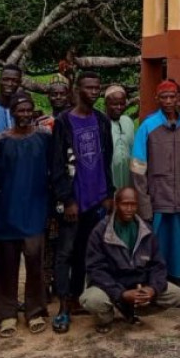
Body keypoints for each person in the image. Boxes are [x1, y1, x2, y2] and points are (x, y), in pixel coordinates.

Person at [48, 71, 115, 333]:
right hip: (73, 202)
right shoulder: (64, 122)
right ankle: (63, 306)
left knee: (85, 254)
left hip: (96, 200)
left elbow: (106, 159)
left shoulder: (101, 120)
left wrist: (108, 193)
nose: (94, 91)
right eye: (89, 87)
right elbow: (56, 165)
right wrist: (67, 199)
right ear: (77, 90)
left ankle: (76, 298)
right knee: (64, 253)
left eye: (98, 87)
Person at [82, 187, 180, 331]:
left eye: (133, 204)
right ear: (116, 204)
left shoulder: (146, 230)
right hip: (110, 286)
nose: (129, 209)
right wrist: (121, 293)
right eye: (125, 204)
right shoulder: (100, 231)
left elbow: (158, 265)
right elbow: (95, 269)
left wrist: (152, 289)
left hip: (138, 285)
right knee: (92, 300)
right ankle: (107, 316)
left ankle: (134, 310)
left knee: (177, 294)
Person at [0, 93, 51, 336]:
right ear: (12, 113)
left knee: (34, 261)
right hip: (7, 211)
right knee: (6, 264)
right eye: (19, 110)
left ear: (33, 112)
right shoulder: (1, 142)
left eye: (28, 110)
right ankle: (7, 313)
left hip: (34, 208)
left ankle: (34, 311)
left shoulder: (44, 138)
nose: (24, 114)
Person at [131, 80, 180, 289]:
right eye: (164, 97)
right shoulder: (147, 127)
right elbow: (137, 170)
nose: (169, 101)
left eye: (173, 97)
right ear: (157, 99)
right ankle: (154, 289)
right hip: (156, 203)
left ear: (179, 99)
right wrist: (144, 205)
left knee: (179, 248)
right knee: (154, 247)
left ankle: (179, 288)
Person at [104, 85, 136, 191]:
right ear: (106, 104)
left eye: (122, 104)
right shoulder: (100, 123)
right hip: (108, 181)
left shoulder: (128, 121)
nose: (119, 107)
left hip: (128, 179)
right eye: (114, 104)